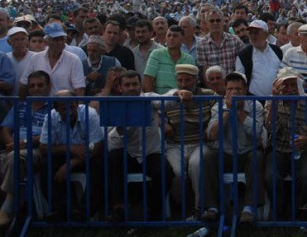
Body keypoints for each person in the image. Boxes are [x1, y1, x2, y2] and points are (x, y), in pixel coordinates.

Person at [106, 71, 173, 222]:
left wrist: (178, 93)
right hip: (127, 153)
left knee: (166, 172)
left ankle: (154, 211)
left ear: (140, 85)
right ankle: (118, 208)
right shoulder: (115, 105)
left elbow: (166, 100)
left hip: (150, 153)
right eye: (127, 85)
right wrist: (120, 129)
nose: (131, 88)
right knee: (112, 160)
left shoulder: (148, 98)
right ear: (120, 88)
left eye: (134, 84)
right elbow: (112, 144)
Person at [203, 71, 264, 224]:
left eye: (238, 89)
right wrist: (228, 112)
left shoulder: (256, 105)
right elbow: (212, 134)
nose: (234, 92)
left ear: (245, 90)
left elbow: (257, 133)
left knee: (256, 157)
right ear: (225, 90)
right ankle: (212, 208)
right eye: (230, 89)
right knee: (208, 157)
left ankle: (249, 208)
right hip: (226, 153)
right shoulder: (218, 107)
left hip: (247, 153)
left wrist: (239, 112)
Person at [264, 67, 307, 218]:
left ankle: (298, 212)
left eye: (293, 85)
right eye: (286, 85)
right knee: (270, 176)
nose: (290, 89)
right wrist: (275, 101)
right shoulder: (272, 101)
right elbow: (269, 127)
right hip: (278, 149)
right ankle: (279, 212)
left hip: (302, 151)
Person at [158, 64, 215, 216]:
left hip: (200, 143)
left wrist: (209, 128)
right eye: (180, 80)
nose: (184, 84)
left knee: (196, 165)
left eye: (187, 80)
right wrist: (163, 123)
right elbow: (154, 110)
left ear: (196, 80)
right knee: (176, 172)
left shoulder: (208, 95)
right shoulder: (170, 97)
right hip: (175, 144)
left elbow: (218, 112)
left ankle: (199, 207)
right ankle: (181, 208)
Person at [39, 89, 105, 222]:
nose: (69, 112)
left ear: (77, 104)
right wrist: (70, 148)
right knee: (46, 164)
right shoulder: (50, 117)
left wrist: (72, 162)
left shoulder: (89, 114)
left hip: (88, 155)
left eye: (72, 107)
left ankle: (84, 210)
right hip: (65, 153)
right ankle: (60, 209)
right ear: (56, 109)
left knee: (101, 163)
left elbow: (98, 145)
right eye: (63, 109)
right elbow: (44, 148)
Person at [0, 71, 51, 226]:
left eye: (40, 85)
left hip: (36, 150)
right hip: (13, 148)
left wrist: (25, 143)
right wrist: (13, 144)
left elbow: (50, 134)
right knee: (11, 157)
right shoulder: (20, 106)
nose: (36, 89)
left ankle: (8, 208)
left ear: (49, 87)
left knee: (15, 158)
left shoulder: (54, 108)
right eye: (32, 86)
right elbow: (5, 129)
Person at [19, 23, 85, 96]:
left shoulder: (74, 60)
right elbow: (24, 84)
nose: (60, 42)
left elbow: (79, 89)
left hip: (64, 105)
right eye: (55, 39)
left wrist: (78, 106)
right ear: (46, 41)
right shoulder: (36, 58)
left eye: (62, 39)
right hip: (41, 104)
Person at [235, 20, 283, 98]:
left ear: (266, 34)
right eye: (251, 32)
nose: (253, 36)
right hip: (253, 101)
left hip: (276, 99)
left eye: (256, 32)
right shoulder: (243, 55)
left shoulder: (277, 51)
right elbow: (239, 80)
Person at [143, 25, 196, 94]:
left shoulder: (189, 59)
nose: (171, 38)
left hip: (182, 100)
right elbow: (148, 80)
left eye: (175, 36)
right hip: (160, 101)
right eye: (169, 35)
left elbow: (193, 83)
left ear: (182, 39)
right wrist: (154, 101)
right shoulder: (156, 54)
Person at [197, 9, 244, 85]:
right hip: (213, 89)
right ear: (207, 24)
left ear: (223, 22)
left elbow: (240, 69)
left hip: (233, 87)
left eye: (218, 20)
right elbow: (204, 73)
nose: (215, 23)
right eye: (212, 21)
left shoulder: (235, 41)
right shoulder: (201, 44)